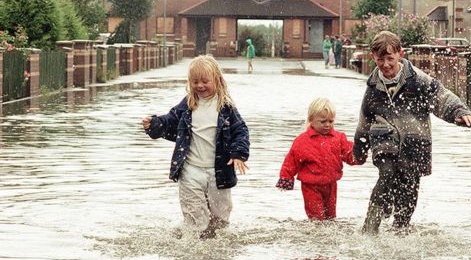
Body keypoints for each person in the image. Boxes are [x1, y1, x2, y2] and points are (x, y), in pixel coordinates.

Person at [353, 31, 471, 235]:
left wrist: (459, 112)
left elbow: (441, 97)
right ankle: (370, 227)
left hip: (414, 145)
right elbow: (364, 120)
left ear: (400, 54)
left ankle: (401, 229)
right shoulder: (373, 88)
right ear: (373, 57)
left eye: (390, 59)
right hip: (384, 142)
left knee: (409, 189)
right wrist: (359, 148)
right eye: (380, 60)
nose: (385, 65)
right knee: (387, 174)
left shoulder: (418, 80)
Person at [142, 55, 250, 239]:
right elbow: (170, 120)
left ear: (217, 80)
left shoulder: (226, 107)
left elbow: (240, 130)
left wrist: (239, 153)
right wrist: (154, 124)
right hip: (190, 170)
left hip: (219, 172)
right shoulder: (188, 104)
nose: (200, 85)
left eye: (205, 81)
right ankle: (191, 256)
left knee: (220, 219)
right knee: (194, 218)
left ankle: (218, 255)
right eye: (195, 81)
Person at [276, 97, 363, 220]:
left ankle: (328, 237)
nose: (327, 125)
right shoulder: (303, 140)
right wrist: (286, 178)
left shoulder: (339, 138)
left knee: (331, 217)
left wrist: (360, 154)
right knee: (317, 218)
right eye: (323, 122)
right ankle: (316, 236)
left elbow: (349, 155)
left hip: (331, 185)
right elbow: (291, 161)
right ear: (311, 120)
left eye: (330, 121)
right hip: (311, 186)